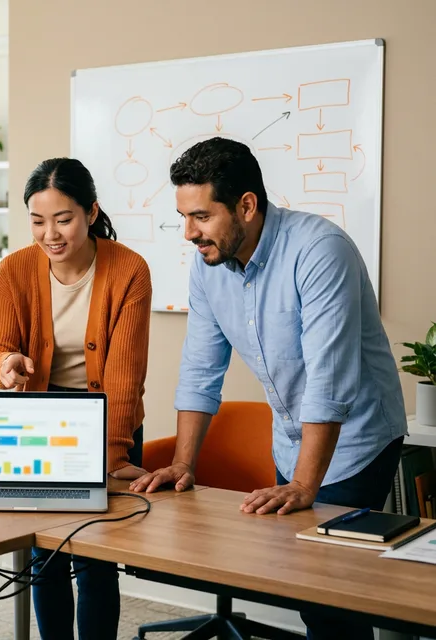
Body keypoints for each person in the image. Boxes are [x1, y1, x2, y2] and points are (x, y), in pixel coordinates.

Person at [130, 137, 406, 640]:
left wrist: (304, 485)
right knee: (305, 585)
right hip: (291, 435)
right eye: (183, 217)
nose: (189, 233)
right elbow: (199, 369)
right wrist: (184, 463)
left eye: (201, 216)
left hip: (358, 437)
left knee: (332, 594)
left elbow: (329, 379)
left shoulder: (320, 251)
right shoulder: (207, 265)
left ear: (247, 206)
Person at [0, 157, 152, 640]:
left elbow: (124, 378)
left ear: (91, 212)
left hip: (109, 424)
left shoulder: (129, 269)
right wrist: (5, 366)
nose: (50, 234)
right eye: (37, 221)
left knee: (97, 557)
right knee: (46, 555)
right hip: (39, 423)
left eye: (63, 219)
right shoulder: (13, 271)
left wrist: (113, 456)